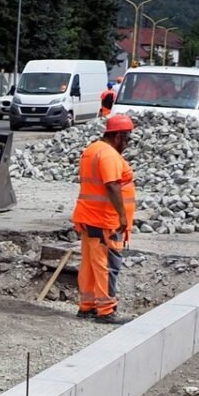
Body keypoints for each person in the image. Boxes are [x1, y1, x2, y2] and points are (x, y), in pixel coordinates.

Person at [72, 113, 135, 324]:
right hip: (105, 219)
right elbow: (112, 185)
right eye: (127, 138)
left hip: (89, 216)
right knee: (106, 265)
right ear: (118, 136)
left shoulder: (92, 150)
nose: (127, 144)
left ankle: (87, 306)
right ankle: (106, 310)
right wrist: (123, 216)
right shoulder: (108, 155)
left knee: (90, 264)